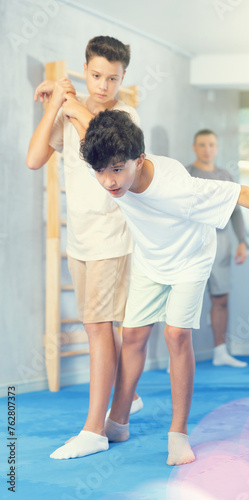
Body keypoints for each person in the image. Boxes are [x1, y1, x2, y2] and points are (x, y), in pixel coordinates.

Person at [78, 109, 249, 465]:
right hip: (151, 258)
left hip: (190, 258)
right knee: (134, 335)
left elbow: (245, 195)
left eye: (117, 169)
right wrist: (65, 100)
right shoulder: (111, 162)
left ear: (139, 160)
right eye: (100, 171)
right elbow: (87, 126)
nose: (109, 181)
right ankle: (118, 422)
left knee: (175, 335)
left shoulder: (179, 189)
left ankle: (179, 434)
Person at [26, 36, 142, 460]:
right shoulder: (73, 107)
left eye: (112, 78)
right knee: (101, 329)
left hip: (113, 239)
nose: (102, 85)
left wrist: (68, 100)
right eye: (95, 75)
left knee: (100, 330)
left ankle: (95, 429)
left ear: (123, 79)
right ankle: (124, 399)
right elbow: (35, 158)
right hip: (80, 240)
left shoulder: (126, 115)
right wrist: (55, 102)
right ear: (85, 70)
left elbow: (101, 151)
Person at [187, 129, 247, 368]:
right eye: (202, 145)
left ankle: (220, 352)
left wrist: (242, 241)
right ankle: (178, 355)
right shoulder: (186, 174)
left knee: (220, 298)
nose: (207, 149)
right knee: (186, 298)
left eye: (211, 144)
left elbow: (237, 211)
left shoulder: (225, 176)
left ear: (217, 147)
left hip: (220, 244)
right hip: (192, 244)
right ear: (195, 148)